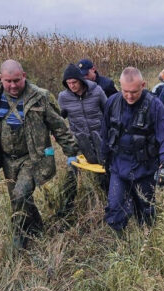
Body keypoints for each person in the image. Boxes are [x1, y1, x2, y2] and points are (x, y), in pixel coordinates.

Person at [0, 59, 79, 249]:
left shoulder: (39, 97)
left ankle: (18, 242)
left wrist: (71, 151)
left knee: (19, 196)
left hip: (33, 158)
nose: (13, 85)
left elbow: (58, 126)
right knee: (20, 198)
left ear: (23, 76)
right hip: (7, 159)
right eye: (8, 81)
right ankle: (38, 229)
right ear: (1, 79)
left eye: (17, 80)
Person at [100, 67, 164, 233]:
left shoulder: (154, 105)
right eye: (125, 91)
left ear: (143, 85)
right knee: (114, 207)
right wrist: (103, 159)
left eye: (134, 92)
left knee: (146, 209)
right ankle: (121, 244)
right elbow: (105, 133)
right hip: (118, 167)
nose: (129, 96)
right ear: (120, 86)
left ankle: (147, 238)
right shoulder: (112, 102)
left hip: (144, 168)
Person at [57, 63, 108, 218]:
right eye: (69, 83)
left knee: (103, 172)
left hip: (99, 139)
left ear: (81, 81)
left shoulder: (97, 91)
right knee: (71, 174)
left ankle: (108, 201)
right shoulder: (63, 97)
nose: (72, 86)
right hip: (78, 141)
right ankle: (66, 209)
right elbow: (60, 118)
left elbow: (107, 112)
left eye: (75, 82)